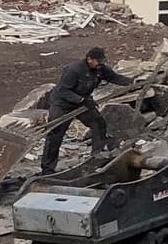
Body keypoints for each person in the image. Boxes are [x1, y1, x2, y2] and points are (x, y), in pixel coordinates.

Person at [39, 46, 133, 174]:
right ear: (89, 59)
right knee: (56, 134)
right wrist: (81, 100)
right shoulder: (74, 70)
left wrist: (131, 82)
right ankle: (47, 169)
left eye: (101, 61)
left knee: (98, 123)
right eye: (97, 61)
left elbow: (114, 77)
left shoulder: (100, 69)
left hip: (83, 102)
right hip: (63, 104)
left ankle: (97, 155)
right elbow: (63, 90)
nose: (100, 64)